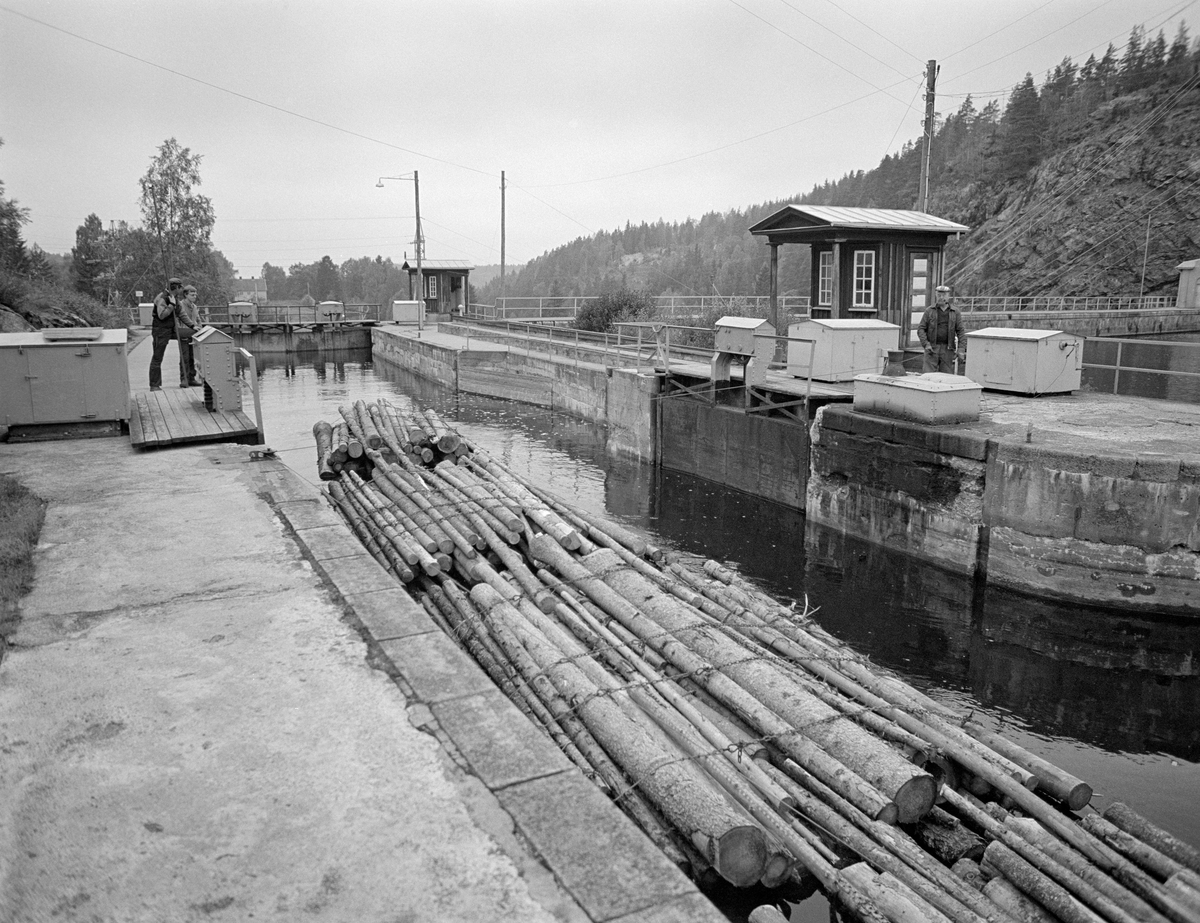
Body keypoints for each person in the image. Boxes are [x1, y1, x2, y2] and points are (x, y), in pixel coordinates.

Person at [917, 284, 966, 374]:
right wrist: (926, 344)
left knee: (946, 377)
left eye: (944, 295)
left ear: (948, 297)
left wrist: (961, 349)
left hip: (948, 350)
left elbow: (961, 331)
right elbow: (921, 329)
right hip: (931, 349)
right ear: (936, 296)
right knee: (928, 376)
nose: (941, 297)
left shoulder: (955, 312)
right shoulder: (929, 311)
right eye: (939, 295)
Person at [149, 277, 183, 390]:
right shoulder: (162, 298)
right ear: (175, 287)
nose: (181, 289)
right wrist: (171, 305)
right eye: (180, 287)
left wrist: (192, 326)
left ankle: (187, 377)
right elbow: (162, 315)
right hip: (160, 331)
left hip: (169, 329)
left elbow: (180, 313)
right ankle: (154, 385)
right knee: (157, 357)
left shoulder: (173, 297)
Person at [176, 284, 200, 387]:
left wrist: (200, 328)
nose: (194, 296)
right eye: (192, 294)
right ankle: (184, 379)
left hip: (193, 335)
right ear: (186, 295)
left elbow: (197, 319)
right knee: (184, 357)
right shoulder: (180, 305)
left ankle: (191, 378)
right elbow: (178, 319)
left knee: (192, 357)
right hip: (184, 333)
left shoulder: (194, 306)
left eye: (195, 294)